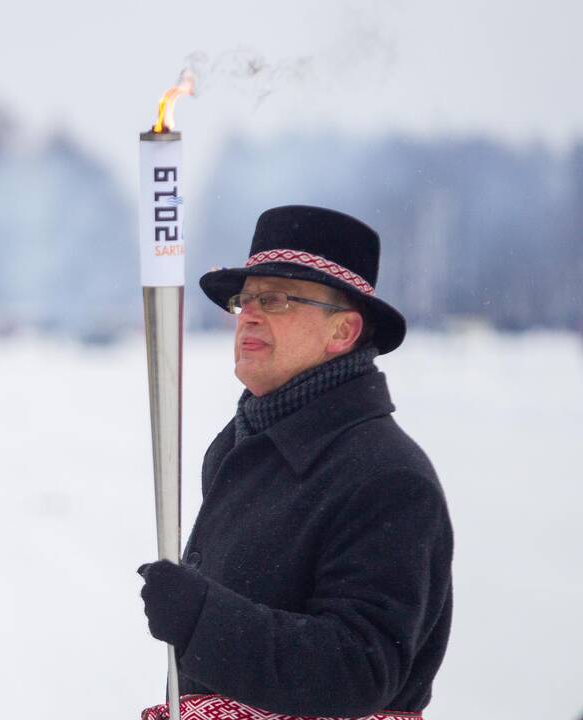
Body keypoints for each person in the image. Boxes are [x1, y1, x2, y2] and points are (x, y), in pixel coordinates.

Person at [137, 205, 454, 720]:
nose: (251, 315)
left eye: (278, 299)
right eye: (246, 300)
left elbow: (360, 668)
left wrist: (202, 619)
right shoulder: (238, 448)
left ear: (343, 332)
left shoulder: (388, 475)